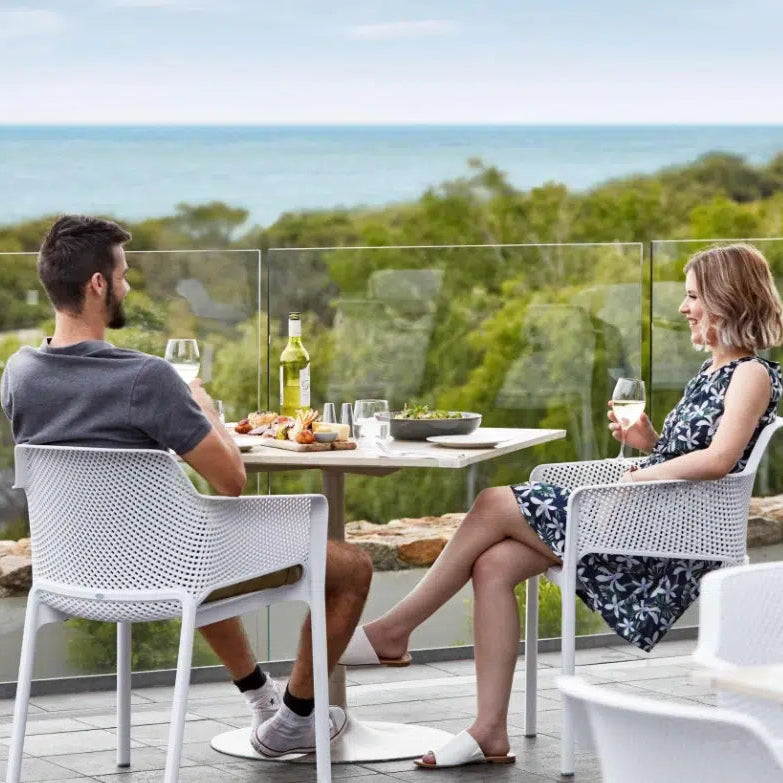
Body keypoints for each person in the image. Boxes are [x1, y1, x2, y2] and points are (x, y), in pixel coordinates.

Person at [339, 243, 783, 768]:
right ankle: (489, 732)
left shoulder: (750, 373)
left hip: (668, 543)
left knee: (489, 503)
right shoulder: (710, 373)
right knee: (494, 563)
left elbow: (719, 460)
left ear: (727, 300)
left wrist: (641, 472)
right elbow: (692, 455)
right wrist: (649, 440)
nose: (684, 309)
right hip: (646, 519)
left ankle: (394, 630)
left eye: (693, 297)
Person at [0, 215, 373, 757]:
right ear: (98, 284)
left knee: (187, 537)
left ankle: (261, 700)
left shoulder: (19, 372)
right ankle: (296, 719)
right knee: (352, 567)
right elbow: (230, 480)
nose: (127, 285)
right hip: (167, 567)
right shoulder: (146, 378)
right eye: (123, 274)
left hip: (76, 568)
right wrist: (200, 406)